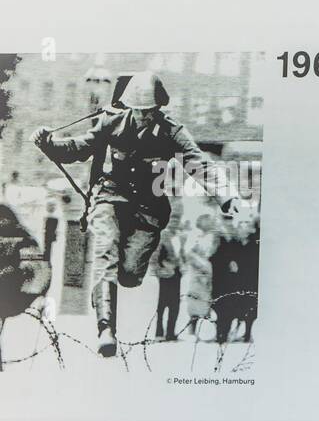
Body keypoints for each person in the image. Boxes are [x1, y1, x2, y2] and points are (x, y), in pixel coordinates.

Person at [31, 71, 249, 357]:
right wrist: (48, 143)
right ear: (129, 106)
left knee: (130, 275)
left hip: (149, 210)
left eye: (149, 111)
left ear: (158, 108)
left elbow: (199, 165)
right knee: (104, 253)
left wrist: (227, 195)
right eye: (139, 111)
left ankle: (124, 274)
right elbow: (80, 147)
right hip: (111, 198)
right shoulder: (111, 122)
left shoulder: (171, 130)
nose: (144, 117)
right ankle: (106, 330)